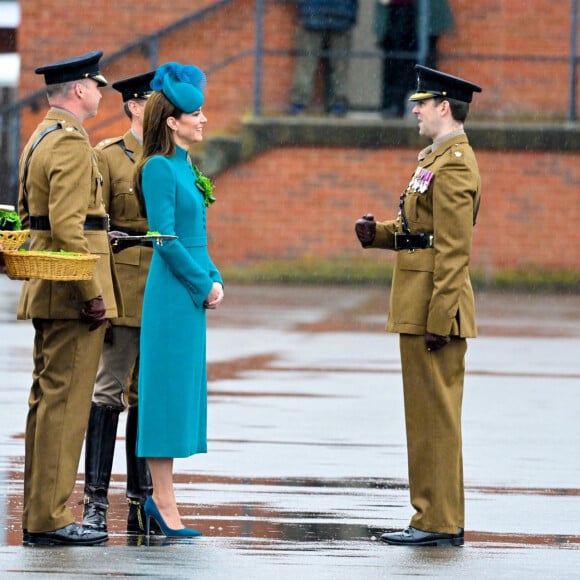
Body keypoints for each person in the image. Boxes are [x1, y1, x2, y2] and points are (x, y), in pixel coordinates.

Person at [355, 64, 482, 547]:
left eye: (422, 103)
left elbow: (454, 248)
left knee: (435, 418)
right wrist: (380, 234)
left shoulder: (454, 163)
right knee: (427, 417)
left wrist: (440, 316)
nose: (415, 110)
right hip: (421, 301)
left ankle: (437, 521)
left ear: (444, 107)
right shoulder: (436, 157)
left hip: (434, 307)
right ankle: (436, 516)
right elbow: (422, 233)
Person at [16, 50, 122, 546]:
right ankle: (51, 518)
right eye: (97, 86)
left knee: (48, 403)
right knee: (65, 406)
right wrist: (91, 293)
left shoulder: (42, 135)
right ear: (79, 89)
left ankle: (42, 513)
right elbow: (68, 227)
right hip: (70, 293)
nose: (101, 94)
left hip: (50, 289)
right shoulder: (72, 143)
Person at [133, 62, 224, 537]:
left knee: (180, 392)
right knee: (164, 394)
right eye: (195, 113)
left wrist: (214, 276)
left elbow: (196, 236)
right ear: (172, 121)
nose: (202, 119)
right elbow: (164, 239)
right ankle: (161, 503)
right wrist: (200, 284)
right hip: (171, 294)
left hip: (188, 292)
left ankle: (166, 500)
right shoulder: (157, 168)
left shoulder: (187, 166)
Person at [81, 71, 157, 536]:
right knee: (109, 392)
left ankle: (141, 497)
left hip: (163, 294)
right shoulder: (107, 157)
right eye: (153, 102)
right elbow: (95, 233)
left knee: (147, 397)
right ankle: (94, 502)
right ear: (133, 106)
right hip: (123, 290)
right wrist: (102, 298)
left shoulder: (174, 157)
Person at [374, 0, 453, 117]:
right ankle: (395, 104)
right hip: (397, 11)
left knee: (424, 62)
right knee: (396, 60)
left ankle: (425, 105)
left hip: (423, 13)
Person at [289, 0, 359, 116]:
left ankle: (299, 103)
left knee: (306, 64)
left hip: (312, 14)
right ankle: (338, 103)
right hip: (341, 15)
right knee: (340, 66)